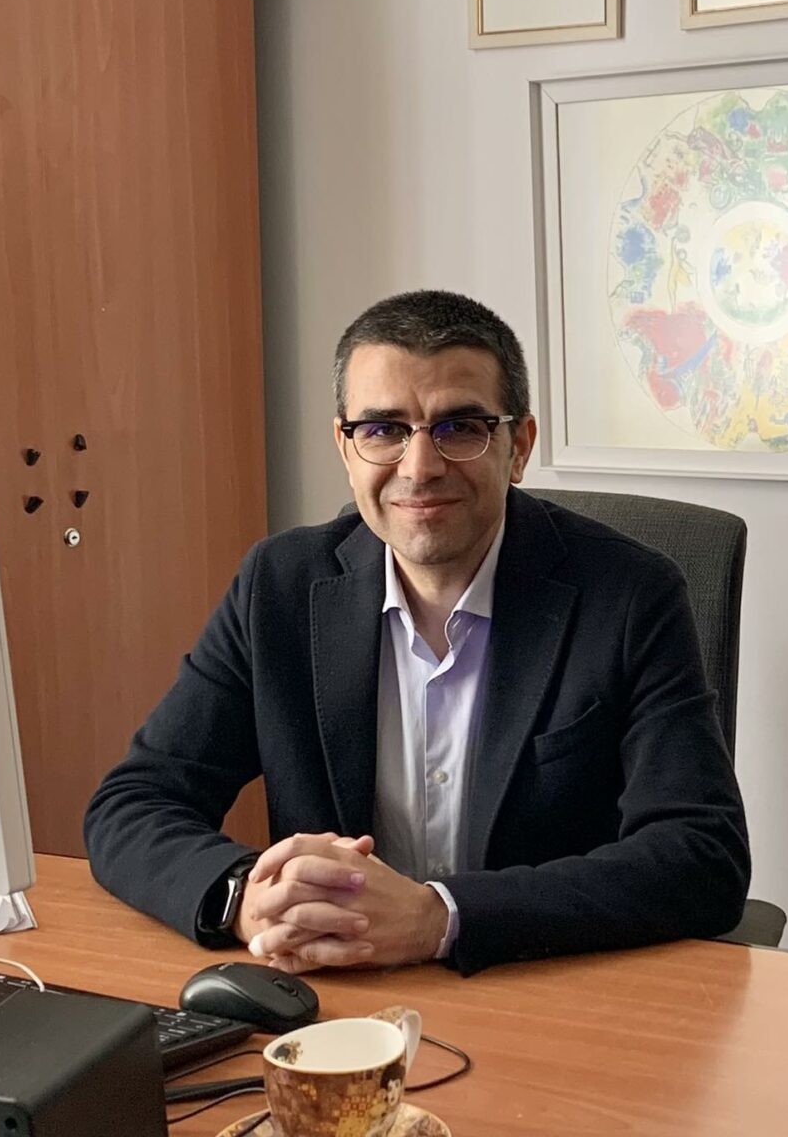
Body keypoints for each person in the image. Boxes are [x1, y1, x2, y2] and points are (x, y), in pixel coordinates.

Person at [84, 290, 749, 976]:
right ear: (345, 448)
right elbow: (134, 803)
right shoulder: (279, 587)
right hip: (337, 995)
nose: (419, 467)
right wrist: (243, 899)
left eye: (459, 427)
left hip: (540, 985)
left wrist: (441, 918)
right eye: (383, 430)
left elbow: (702, 854)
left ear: (518, 447)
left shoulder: (631, 595)